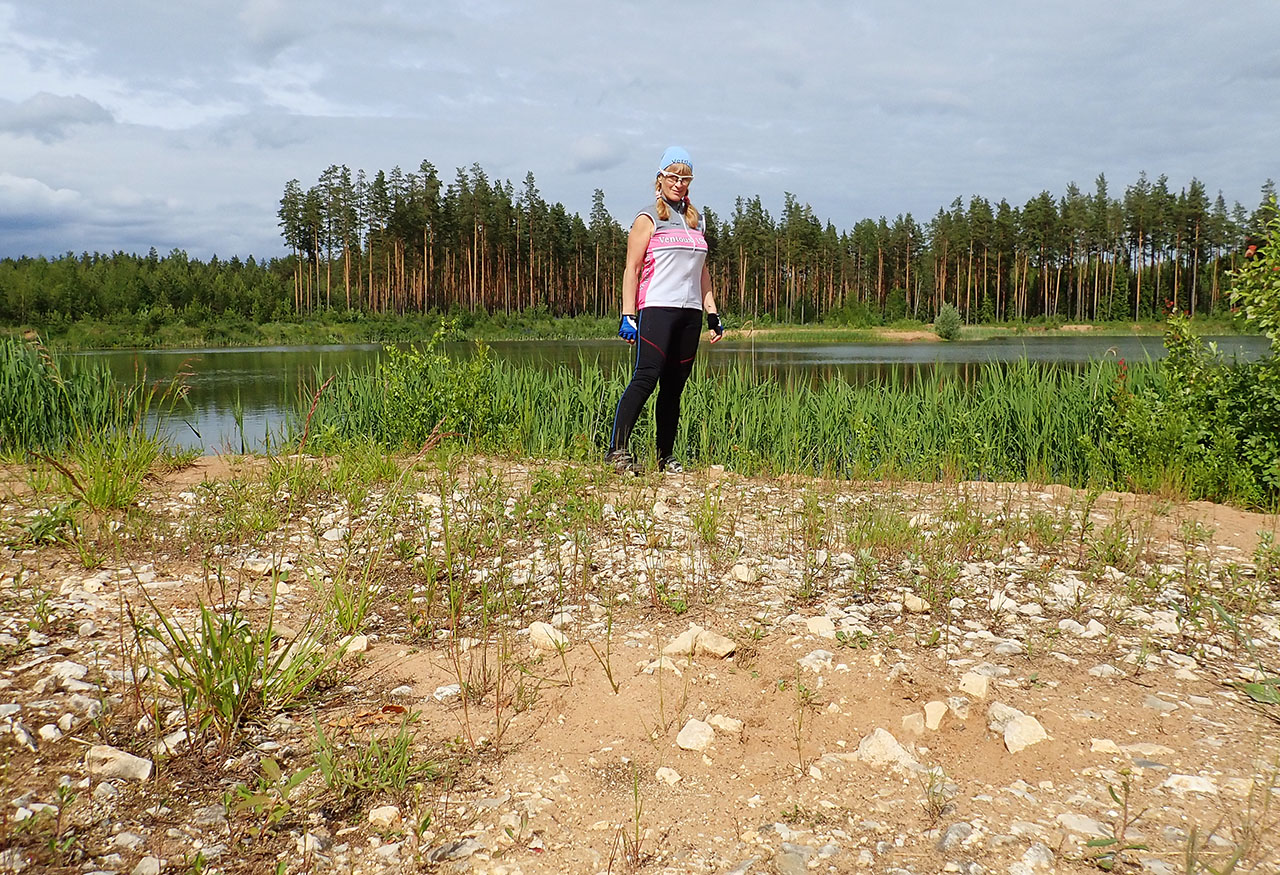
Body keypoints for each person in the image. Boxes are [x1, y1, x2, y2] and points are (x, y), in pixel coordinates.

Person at [607, 146, 724, 474]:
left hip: (690, 314)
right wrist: (628, 315)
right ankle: (617, 451)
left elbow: (702, 271)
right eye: (673, 177)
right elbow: (631, 269)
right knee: (646, 378)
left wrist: (712, 314)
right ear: (660, 178)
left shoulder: (697, 221)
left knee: (674, 387)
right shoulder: (647, 218)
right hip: (657, 309)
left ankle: (664, 456)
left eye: (685, 178)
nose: (678, 183)